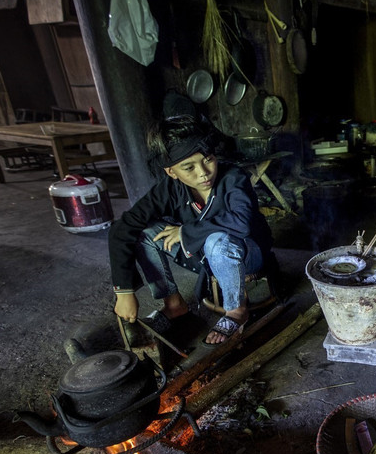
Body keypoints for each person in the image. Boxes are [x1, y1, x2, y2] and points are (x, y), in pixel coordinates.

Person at [109, 115, 273, 345]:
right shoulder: (169, 188)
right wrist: (124, 291)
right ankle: (174, 304)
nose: (203, 173)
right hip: (204, 257)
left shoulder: (233, 177)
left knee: (217, 240)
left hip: (247, 254)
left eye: (208, 159)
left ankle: (236, 310)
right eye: (189, 167)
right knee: (146, 234)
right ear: (172, 172)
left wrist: (184, 232)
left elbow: (242, 221)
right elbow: (122, 227)